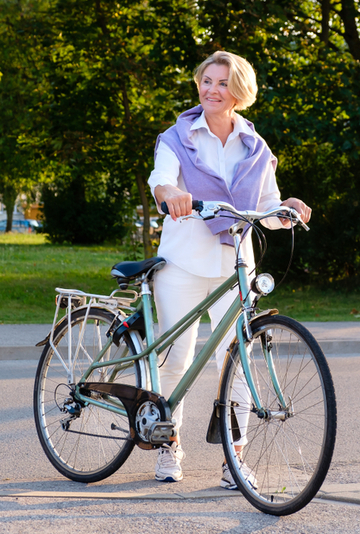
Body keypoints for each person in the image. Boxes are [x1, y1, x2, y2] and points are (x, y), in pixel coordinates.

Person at [147, 50, 312, 488]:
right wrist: (170, 194)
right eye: (206, 81)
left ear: (238, 91)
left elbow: (266, 209)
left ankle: (233, 458)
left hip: (234, 263)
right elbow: (160, 180)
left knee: (237, 359)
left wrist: (289, 209)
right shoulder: (177, 137)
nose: (211, 89)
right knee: (176, 358)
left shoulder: (255, 148)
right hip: (182, 262)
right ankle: (169, 444)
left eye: (221, 83)